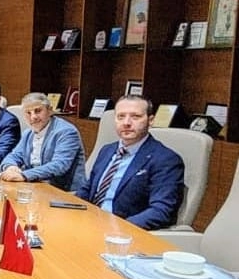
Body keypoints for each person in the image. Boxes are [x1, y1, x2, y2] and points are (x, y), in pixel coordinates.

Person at [76, 95, 184, 230]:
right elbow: (88, 190)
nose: (126, 123)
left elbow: (160, 211)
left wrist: (118, 228)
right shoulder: (107, 150)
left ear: (150, 120)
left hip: (122, 231)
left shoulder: (165, 159)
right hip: (90, 222)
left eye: (135, 117)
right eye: (121, 117)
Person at [0, 92, 86, 191]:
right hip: (36, 186)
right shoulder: (28, 133)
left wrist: (24, 175)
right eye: (28, 113)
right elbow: (14, 155)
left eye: (38, 111)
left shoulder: (66, 132)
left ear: (50, 110)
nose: (33, 117)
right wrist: (10, 167)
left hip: (64, 191)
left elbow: (59, 166)